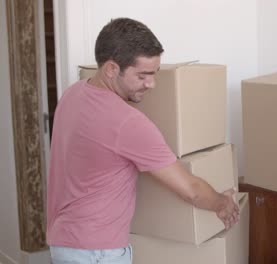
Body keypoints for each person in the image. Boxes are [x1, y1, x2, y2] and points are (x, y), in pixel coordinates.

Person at [47, 17, 239, 264]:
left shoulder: (73, 94)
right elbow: (191, 190)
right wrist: (223, 203)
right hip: (97, 253)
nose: (152, 84)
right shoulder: (126, 122)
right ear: (111, 69)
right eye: (143, 75)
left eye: (155, 73)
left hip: (63, 244)